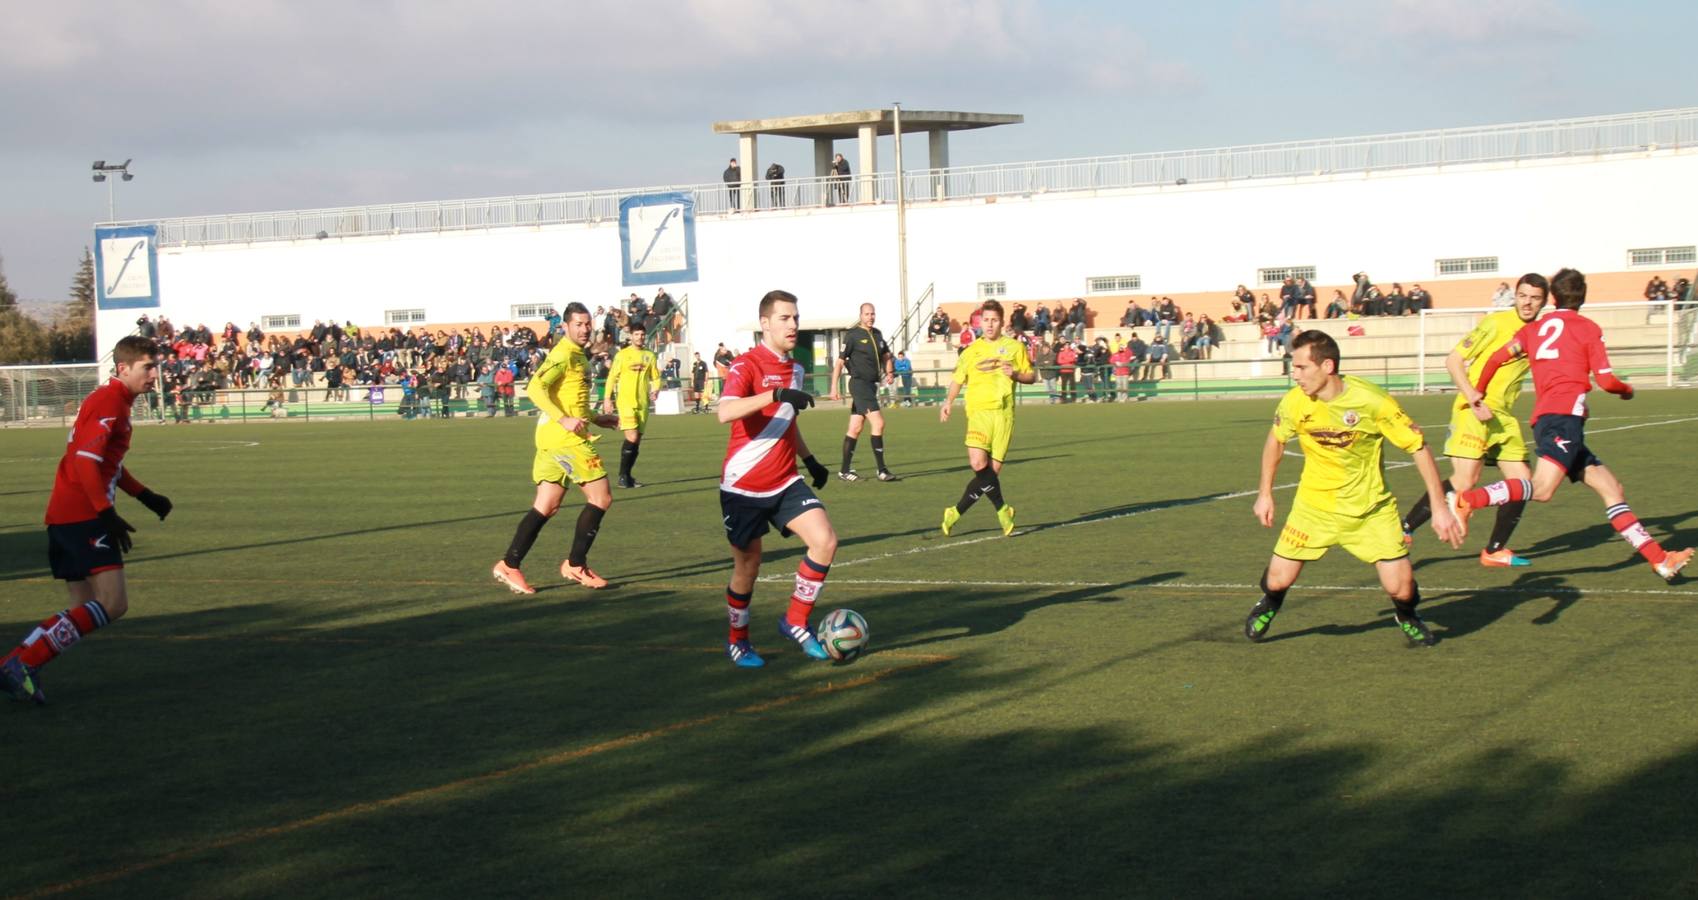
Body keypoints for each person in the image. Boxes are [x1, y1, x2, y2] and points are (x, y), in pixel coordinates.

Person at [1456, 269, 1693, 583]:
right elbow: (1607, 381)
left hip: (1551, 419)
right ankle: (1467, 500)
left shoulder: (1535, 329)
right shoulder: (1587, 328)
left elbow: (1495, 359)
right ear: (1583, 296)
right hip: (1563, 420)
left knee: (1611, 488)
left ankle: (1660, 560)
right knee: (1541, 490)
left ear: (1553, 297)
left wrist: (1479, 392)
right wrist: (1627, 391)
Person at [1244, 330, 1465, 647]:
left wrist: (1439, 507)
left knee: (1401, 588)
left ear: (1327, 366)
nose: (1295, 376)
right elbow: (1276, 440)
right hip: (1314, 509)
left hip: (1370, 511)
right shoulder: (1295, 401)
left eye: (1301, 368)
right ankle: (1269, 603)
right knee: (1277, 581)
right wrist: (1265, 492)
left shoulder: (1372, 401)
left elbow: (1418, 447)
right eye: (1294, 368)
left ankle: (1407, 615)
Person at [2, 337, 174, 705]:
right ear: (123, 368)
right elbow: (85, 462)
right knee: (113, 603)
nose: (154, 374)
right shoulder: (110, 401)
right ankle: (22, 664)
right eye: (147, 366)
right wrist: (105, 513)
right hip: (83, 514)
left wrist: (144, 496)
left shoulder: (113, 401)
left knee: (84, 607)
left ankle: (15, 663)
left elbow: (104, 461)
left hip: (67, 513)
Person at [715, 290, 837, 668]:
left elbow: (786, 421)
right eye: (785, 318)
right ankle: (738, 641)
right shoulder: (745, 365)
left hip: (785, 479)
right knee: (747, 568)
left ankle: (795, 621)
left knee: (825, 541)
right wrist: (774, 393)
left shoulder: (796, 368)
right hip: (743, 486)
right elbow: (726, 412)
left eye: (796, 317)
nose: (793, 325)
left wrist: (810, 459)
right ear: (765, 323)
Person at [1401, 273, 1549, 567]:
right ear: (1515, 296)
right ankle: (1404, 529)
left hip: (1503, 418)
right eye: (1522, 296)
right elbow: (1453, 360)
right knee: (1465, 481)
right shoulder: (1496, 324)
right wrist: (1473, 397)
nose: (1527, 303)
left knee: (1522, 484)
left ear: (1544, 301)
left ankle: (1494, 550)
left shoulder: (1543, 331)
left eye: (1534, 298)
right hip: (1474, 410)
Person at [491, 302, 621, 594]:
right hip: (565, 440)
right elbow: (535, 388)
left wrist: (596, 418)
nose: (585, 329)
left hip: (552, 439)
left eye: (587, 324)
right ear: (565, 326)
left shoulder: (578, 355)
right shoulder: (563, 354)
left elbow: (571, 399)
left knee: (546, 506)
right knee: (601, 498)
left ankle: (509, 565)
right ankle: (575, 564)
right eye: (578, 324)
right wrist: (563, 420)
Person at [939, 300, 1036, 538]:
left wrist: (1014, 374)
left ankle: (954, 512)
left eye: (994, 320)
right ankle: (1003, 510)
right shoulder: (971, 351)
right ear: (980, 322)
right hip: (978, 414)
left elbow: (1031, 376)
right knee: (977, 464)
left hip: (1003, 415)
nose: (990, 324)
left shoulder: (1015, 348)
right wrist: (948, 401)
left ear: (1002, 322)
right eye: (986, 320)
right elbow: (958, 379)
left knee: (989, 476)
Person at [602, 322, 660, 488]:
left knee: (637, 440)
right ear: (631, 336)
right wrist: (607, 398)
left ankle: (627, 476)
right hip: (626, 402)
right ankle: (622, 476)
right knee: (632, 437)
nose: (640, 337)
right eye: (636, 334)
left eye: (642, 334)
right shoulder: (622, 355)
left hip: (642, 402)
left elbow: (655, 377)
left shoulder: (650, 356)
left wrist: (656, 390)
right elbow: (612, 377)